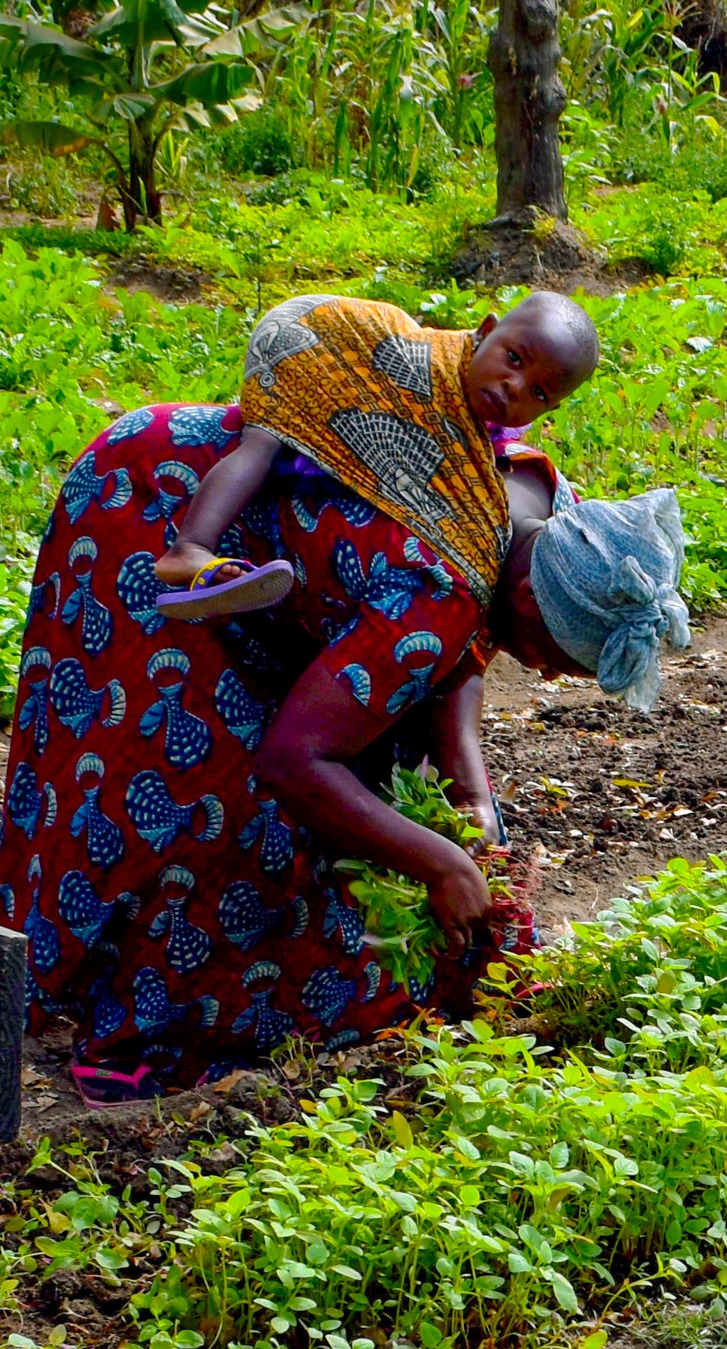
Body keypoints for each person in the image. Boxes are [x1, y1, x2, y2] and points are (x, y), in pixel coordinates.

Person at [0, 390, 688, 1104]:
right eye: (554, 656)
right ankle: (142, 1026)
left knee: (372, 778)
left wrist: (471, 796)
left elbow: (456, 653)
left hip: (285, 565)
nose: (544, 673)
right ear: (527, 600)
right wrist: (442, 861)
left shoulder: (561, 528)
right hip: (156, 506)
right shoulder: (438, 583)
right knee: (197, 783)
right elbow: (293, 760)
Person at [154, 289, 599, 618]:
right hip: (311, 345)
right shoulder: (432, 369)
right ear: (485, 332)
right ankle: (191, 548)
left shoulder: (492, 428)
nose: (514, 385)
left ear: (550, 408)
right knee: (266, 442)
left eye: (538, 391)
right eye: (514, 359)